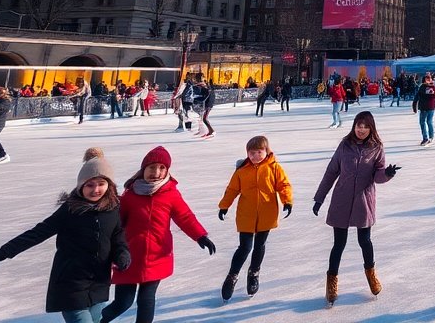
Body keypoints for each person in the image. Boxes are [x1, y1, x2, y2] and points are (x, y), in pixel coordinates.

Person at [0, 148, 130, 323]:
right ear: (81, 186)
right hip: (71, 284)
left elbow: (117, 237)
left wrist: (122, 253)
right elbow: (38, 232)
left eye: (101, 184)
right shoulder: (70, 210)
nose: (96, 189)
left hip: (99, 284)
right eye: (90, 185)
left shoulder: (112, 209)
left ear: (109, 185)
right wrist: (5, 251)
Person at [101, 146, 215, 323]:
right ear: (143, 169)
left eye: (162, 168)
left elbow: (185, 216)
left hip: (157, 257)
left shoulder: (171, 194)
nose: (156, 172)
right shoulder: (130, 195)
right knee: (123, 302)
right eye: (152, 167)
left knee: (146, 299)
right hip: (129, 257)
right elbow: (116, 224)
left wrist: (200, 235)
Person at [313, 111, 400, 307]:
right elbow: (331, 172)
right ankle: (331, 282)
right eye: (358, 126)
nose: (361, 129)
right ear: (354, 126)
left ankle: (371, 275)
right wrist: (319, 198)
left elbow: (377, 176)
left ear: (371, 128)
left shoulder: (377, 148)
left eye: (365, 126)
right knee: (339, 243)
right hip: (341, 199)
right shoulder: (345, 145)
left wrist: (387, 173)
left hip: (363, 200)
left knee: (365, 241)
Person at [218, 135, 293, 301]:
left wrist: (287, 201)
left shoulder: (274, 168)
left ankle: (254, 273)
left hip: (267, 213)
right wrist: (224, 205)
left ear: (266, 151)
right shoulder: (242, 170)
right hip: (246, 214)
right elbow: (232, 189)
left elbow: (283, 185)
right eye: (252, 153)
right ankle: (232, 275)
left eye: (259, 152)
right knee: (245, 247)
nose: (255, 156)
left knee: (260, 245)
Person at [413, 73, 435, 145]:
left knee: (424, 122)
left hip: (427, 107)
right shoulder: (426, 87)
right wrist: (414, 106)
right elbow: (417, 97)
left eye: (429, 78)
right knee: (428, 122)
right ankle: (429, 137)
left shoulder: (430, 87)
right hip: (427, 107)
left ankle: (427, 138)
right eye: (427, 78)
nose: (428, 80)